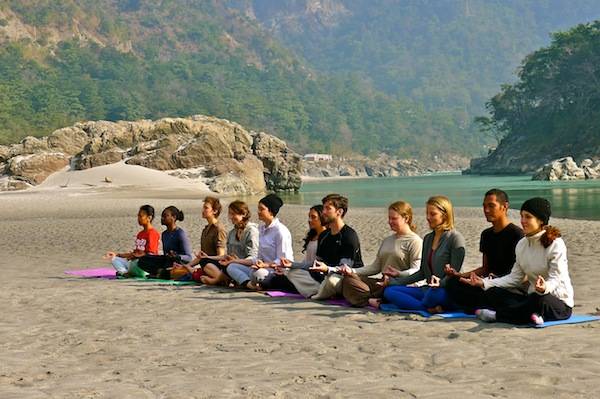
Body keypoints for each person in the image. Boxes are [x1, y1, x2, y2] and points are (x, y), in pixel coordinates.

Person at [461, 197, 574, 325]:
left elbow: (556, 278)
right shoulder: (522, 245)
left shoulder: (555, 244)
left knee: (538, 299)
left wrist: (544, 287)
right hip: (531, 297)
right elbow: (514, 278)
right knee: (494, 293)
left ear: (541, 220)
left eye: (528, 217)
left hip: (557, 302)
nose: (523, 221)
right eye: (522, 216)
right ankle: (533, 315)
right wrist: (484, 283)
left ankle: (497, 316)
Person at [382, 196, 465, 313]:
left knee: (433, 295)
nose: (428, 218)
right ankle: (429, 308)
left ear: (445, 215)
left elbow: (455, 275)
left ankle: (422, 305)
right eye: (427, 213)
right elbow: (422, 273)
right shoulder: (428, 238)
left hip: (444, 290)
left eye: (433, 214)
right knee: (390, 291)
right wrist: (394, 282)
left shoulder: (455, 238)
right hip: (427, 289)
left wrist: (440, 283)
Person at [445, 189, 523, 312]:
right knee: (453, 283)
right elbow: (485, 269)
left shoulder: (517, 235)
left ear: (505, 207)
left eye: (491, 206)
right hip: (487, 283)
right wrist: (459, 275)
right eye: (484, 206)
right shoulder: (486, 235)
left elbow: (521, 276)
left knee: (494, 294)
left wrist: (492, 281)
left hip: (507, 286)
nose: (486, 210)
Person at [341, 201, 422, 307]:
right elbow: (375, 267)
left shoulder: (415, 241)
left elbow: (416, 270)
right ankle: (373, 298)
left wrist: (398, 274)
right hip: (382, 282)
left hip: (399, 284)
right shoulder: (388, 240)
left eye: (394, 218)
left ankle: (369, 300)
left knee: (388, 290)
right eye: (389, 218)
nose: (390, 221)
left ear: (406, 218)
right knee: (348, 279)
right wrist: (352, 271)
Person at [291, 193, 363, 300]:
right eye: (324, 208)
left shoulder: (349, 235)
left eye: (328, 209)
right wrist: (292, 264)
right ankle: (320, 290)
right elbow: (316, 263)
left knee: (332, 280)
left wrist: (327, 269)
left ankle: (319, 293)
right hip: (324, 276)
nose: (324, 212)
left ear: (339, 212)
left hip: (344, 277)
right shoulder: (324, 235)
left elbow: (345, 269)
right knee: (293, 273)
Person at [226, 194, 294, 290]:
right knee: (231, 267)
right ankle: (249, 284)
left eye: (261, 209)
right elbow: (257, 258)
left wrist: (265, 265)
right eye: (258, 209)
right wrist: (234, 260)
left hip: (276, 271)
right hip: (260, 268)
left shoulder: (280, 231)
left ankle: (251, 282)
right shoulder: (261, 229)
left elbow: (284, 261)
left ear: (271, 211)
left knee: (258, 273)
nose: (258, 212)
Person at [194, 200, 259, 285]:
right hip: (232, 263)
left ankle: (217, 280)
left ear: (243, 214)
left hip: (246, 265)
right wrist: (208, 257)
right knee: (204, 261)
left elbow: (252, 257)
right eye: (230, 214)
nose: (230, 217)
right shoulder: (232, 233)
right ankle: (225, 278)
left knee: (229, 266)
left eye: (233, 214)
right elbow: (226, 256)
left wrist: (235, 261)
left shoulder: (251, 231)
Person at [137, 206, 193, 278]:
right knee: (143, 260)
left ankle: (163, 273)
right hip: (167, 262)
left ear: (173, 217)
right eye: (161, 216)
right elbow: (165, 256)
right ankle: (162, 272)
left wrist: (177, 256)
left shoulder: (180, 233)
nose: (162, 218)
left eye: (165, 216)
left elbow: (188, 257)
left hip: (178, 263)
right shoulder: (164, 234)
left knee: (172, 267)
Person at [284, 205, 327, 297]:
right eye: (309, 217)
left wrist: (293, 265)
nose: (309, 220)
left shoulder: (327, 237)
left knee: (292, 273)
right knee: (288, 272)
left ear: (322, 218)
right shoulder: (312, 236)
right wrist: (291, 265)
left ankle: (318, 289)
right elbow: (307, 260)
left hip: (319, 273)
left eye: (313, 217)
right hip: (309, 271)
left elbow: (316, 263)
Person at [105, 205, 160, 277]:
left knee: (136, 262)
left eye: (141, 216)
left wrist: (135, 256)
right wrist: (118, 255)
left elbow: (151, 254)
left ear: (149, 218)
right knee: (114, 259)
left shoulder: (152, 233)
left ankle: (126, 273)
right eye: (138, 216)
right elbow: (136, 253)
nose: (138, 218)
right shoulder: (140, 234)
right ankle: (124, 273)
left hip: (145, 265)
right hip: (135, 262)